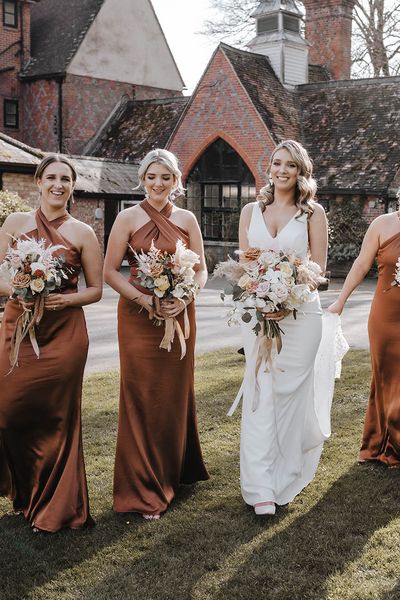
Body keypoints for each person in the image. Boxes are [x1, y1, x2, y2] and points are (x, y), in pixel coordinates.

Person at [104, 148, 209, 519]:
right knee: (140, 394)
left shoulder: (188, 218)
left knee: (173, 393)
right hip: (137, 316)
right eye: (151, 177)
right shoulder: (127, 218)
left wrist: (185, 298)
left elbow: (201, 269)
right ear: (142, 179)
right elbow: (110, 271)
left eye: (165, 177)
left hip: (181, 314)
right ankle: (142, 486)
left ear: (176, 180)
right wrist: (144, 301)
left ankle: (174, 471)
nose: (158, 184)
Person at [0, 154, 103, 532]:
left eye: (66, 179)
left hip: (64, 334)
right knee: (8, 410)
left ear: (72, 187)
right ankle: (25, 491)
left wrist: (64, 299)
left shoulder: (82, 233)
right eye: (52, 177)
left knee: (57, 418)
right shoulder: (14, 223)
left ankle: (55, 508)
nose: (59, 184)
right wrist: (21, 289)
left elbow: (95, 290)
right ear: (39, 181)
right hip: (18, 329)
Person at [237, 140, 329, 515]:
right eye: (276, 163)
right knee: (261, 393)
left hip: (302, 316)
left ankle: (285, 478)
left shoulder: (313, 213)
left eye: (290, 165)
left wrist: (285, 298)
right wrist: (262, 298)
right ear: (269, 167)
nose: (282, 170)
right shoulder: (249, 210)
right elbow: (244, 266)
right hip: (258, 314)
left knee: (290, 396)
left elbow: (319, 270)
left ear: (300, 171)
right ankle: (259, 486)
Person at [328, 205, 400, 466]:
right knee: (385, 378)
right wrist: (340, 301)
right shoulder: (382, 224)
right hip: (386, 316)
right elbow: (361, 264)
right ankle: (380, 441)